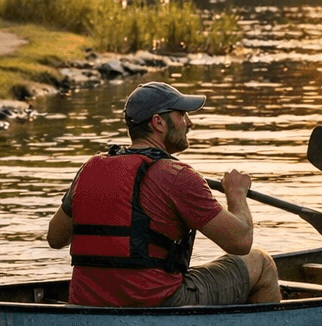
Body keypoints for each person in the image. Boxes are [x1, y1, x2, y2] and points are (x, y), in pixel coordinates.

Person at [47, 81, 281, 307]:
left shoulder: (89, 169)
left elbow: (55, 238)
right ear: (158, 122)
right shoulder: (178, 175)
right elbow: (241, 242)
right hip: (158, 303)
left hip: (88, 304)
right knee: (261, 262)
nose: (189, 123)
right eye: (182, 115)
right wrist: (236, 193)